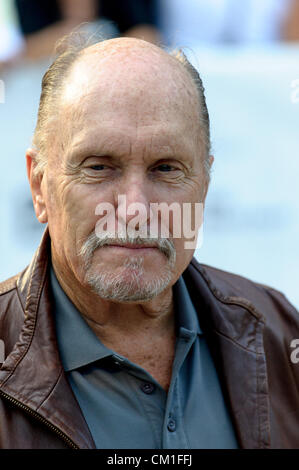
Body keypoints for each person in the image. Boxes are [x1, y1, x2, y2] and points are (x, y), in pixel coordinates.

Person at [0, 33, 298, 450]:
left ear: (205, 185)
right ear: (39, 186)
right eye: (100, 167)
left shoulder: (279, 334)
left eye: (166, 168)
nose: (135, 209)